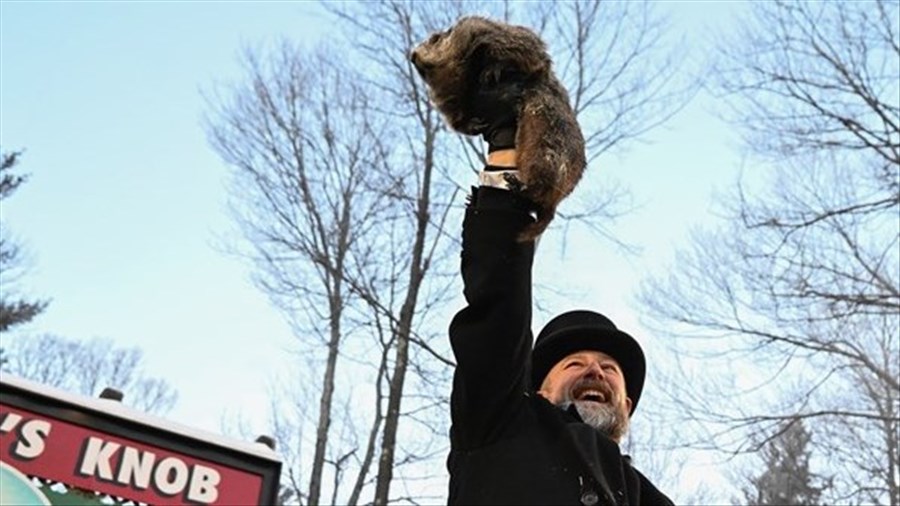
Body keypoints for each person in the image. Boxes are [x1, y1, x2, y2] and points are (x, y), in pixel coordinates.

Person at [446, 91, 674, 506]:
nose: (595, 372)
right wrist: (507, 158)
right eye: (574, 363)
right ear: (538, 392)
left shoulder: (647, 498)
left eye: (609, 368)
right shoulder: (501, 425)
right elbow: (498, 314)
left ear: (627, 404)